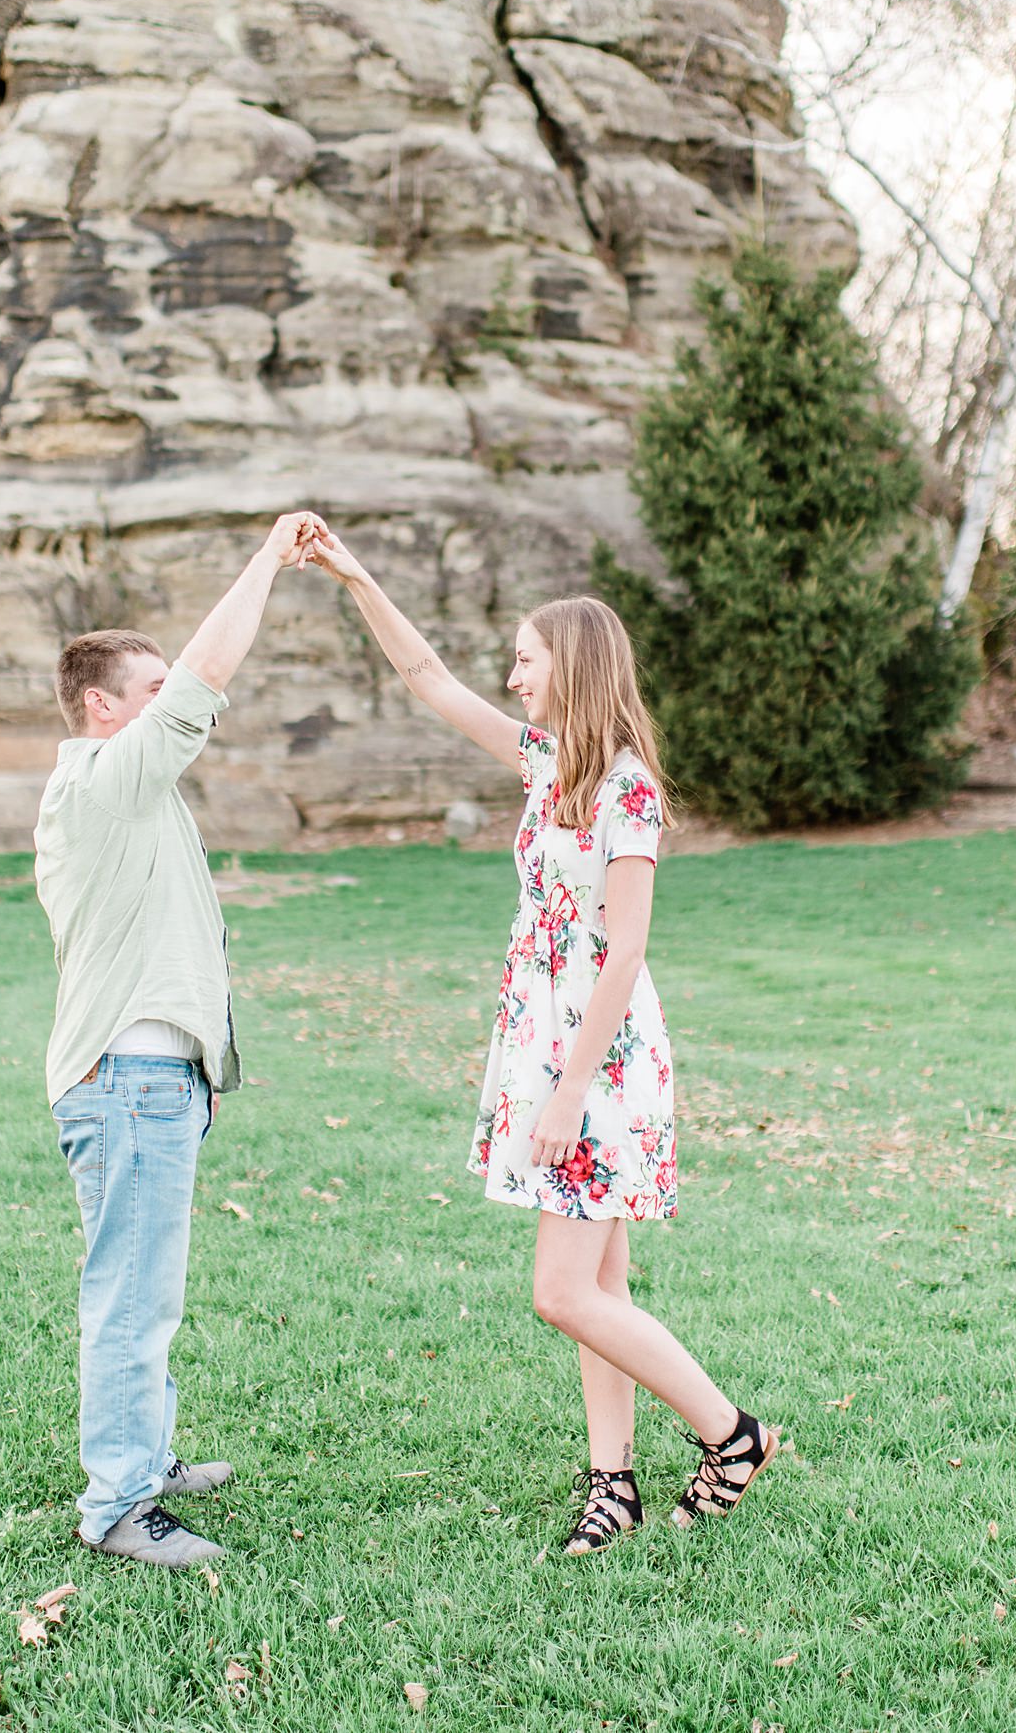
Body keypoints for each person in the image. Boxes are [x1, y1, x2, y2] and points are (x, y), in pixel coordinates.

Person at [306, 534, 776, 1550]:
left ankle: (730, 1435)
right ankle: (615, 1481)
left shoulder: (626, 788)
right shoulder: (544, 762)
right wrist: (354, 577)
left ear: (575, 664)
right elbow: (425, 676)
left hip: (596, 1062)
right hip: (548, 1042)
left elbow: (626, 946)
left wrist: (564, 1093)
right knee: (597, 1288)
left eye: (527, 657)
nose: (512, 675)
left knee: (559, 1290)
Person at [35, 509, 327, 1567]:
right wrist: (267, 559)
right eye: (151, 694)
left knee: (145, 1287)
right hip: (127, 1080)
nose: (176, 708)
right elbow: (205, 673)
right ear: (102, 707)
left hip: (155, 1079)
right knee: (130, 1295)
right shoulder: (101, 783)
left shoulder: (135, 794)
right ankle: (118, 1506)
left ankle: (145, 1463)